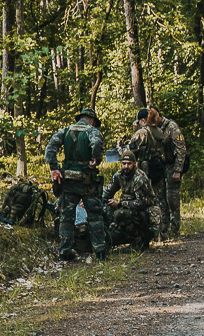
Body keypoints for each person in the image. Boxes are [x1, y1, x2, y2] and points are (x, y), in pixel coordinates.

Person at [43, 107, 107, 260]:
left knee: (66, 217)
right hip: (87, 181)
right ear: (91, 120)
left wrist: (54, 168)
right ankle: (100, 253)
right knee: (95, 216)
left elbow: (50, 149)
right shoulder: (92, 131)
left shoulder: (65, 131)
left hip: (68, 180)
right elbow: (97, 144)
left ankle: (64, 251)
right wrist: (95, 160)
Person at [132, 104, 188, 239]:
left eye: (154, 115)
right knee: (160, 198)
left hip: (172, 165)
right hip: (159, 167)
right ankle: (164, 229)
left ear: (159, 116)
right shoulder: (154, 130)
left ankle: (174, 229)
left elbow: (181, 149)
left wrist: (177, 170)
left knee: (172, 198)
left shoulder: (171, 127)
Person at [103, 146, 157, 252]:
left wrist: (120, 204)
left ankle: (138, 243)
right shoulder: (119, 176)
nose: (126, 166)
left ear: (134, 163)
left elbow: (142, 202)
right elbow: (107, 192)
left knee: (120, 214)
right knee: (110, 236)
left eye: (129, 163)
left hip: (144, 213)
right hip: (128, 212)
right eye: (124, 163)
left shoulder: (139, 178)